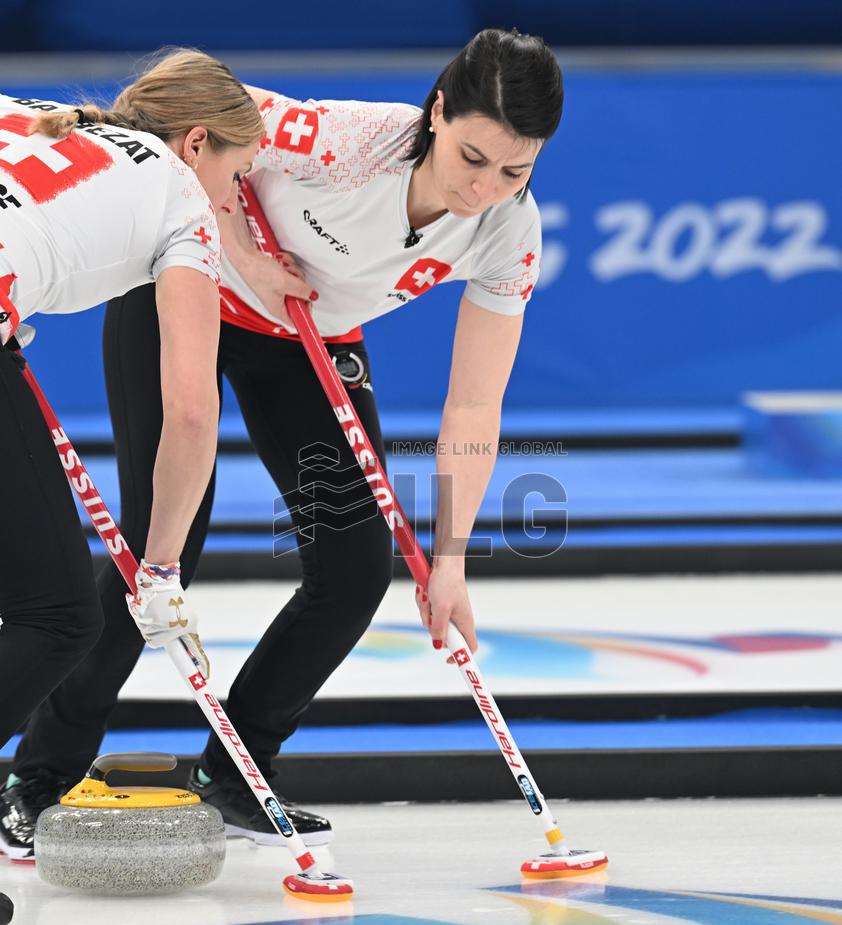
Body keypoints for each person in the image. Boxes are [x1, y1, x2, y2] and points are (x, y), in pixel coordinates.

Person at [4, 28, 563, 853]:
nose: (484, 189)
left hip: (308, 342)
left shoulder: (508, 232)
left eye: (515, 170)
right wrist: (245, 256)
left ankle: (236, 772)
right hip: (184, 293)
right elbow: (190, 127)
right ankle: (40, 775)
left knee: (355, 567)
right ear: (436, 113)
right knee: (162, 547)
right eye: (471, 158)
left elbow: (475, 404)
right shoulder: (348, 140)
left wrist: (451, 558)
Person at [0, 49, 263, 861]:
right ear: (195, 145)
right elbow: (189, 412)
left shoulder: (26, 113)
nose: (233, 199)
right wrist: (158, 570)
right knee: (60, 618)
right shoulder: (185, 205)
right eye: (237, 174)